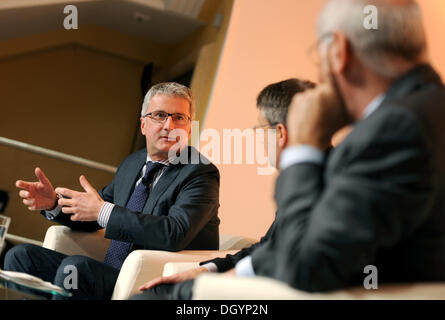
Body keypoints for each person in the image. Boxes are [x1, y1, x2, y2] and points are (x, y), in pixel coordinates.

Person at [236, 0, 445, 292]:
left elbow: (305, 265)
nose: (320, 79)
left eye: (317, 57)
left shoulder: (395, 127)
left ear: (338, 50)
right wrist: (238, 270)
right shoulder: (425, 111)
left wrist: (303, 146)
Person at [5, 82, 221, 299]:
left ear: (189, 128)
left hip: (152, 281)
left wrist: (103, 211)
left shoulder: (199, 172)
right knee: (20, 255)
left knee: (76, 269)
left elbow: (174, 233)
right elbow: (96, 214)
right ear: (143, 124)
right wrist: (54, 203)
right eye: (159, 115)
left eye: (179, 118)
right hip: (114, 272)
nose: (169, 125)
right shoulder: (132, 164)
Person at [132, 78, 317, 300]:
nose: (168, 126)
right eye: (160, 116)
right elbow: (268, 247)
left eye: (260, 129)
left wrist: (228, 280)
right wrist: (206, 269)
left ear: (280, 133)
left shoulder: (311, 184)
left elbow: (292, 260)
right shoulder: (309, 179)